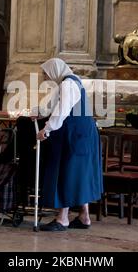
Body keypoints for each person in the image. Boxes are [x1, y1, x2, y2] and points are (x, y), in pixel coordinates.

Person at [36, 58, 103, 232]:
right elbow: (51, 104)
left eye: (46, 73)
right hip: (81, 133)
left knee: (66, 171)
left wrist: (47, 129)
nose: (45, 76)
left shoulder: (67, 84)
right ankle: (84, 216)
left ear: (54, 71)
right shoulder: (70, 81)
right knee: (78, 174)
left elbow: (62, 110)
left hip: (75, 134)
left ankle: (62, 218)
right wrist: (38, 112)